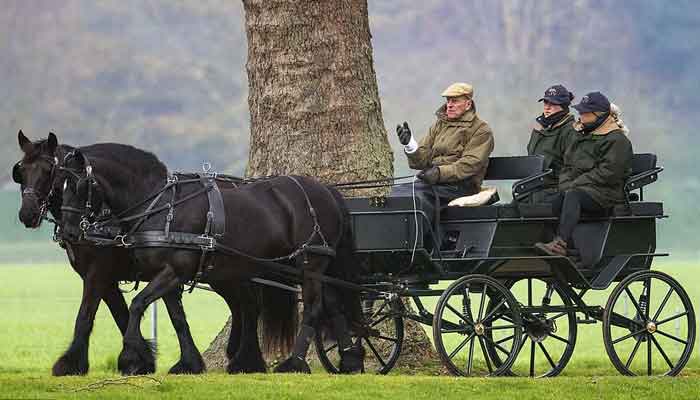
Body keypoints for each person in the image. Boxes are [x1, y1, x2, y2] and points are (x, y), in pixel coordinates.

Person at [394, 82, 494, 248]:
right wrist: (410, 145)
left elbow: (469, 165)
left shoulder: (481, 130)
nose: (449, 105)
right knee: (396, 193)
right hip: (434, 183)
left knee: (417, 199)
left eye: (455, 101)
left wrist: (439, 173)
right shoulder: (439, 125)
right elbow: (422, 160)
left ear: (468, 104)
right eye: (448, 100)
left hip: (461, 186)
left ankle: (415, 247)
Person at [535, 92, 633, 257]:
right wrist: (566, 185)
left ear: (599, 115)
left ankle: (560, 244)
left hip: (606, 195)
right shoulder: (580, 135)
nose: (580, 115)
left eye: (585, 112)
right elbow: (567, 166)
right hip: (582, 189)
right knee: (553, 201)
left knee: (573, 197)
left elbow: (608, 173)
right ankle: (563, 245)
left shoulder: (617, 140)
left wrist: (575, 185)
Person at [527, 84, 577, 203]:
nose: (547, 108)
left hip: (555, 190)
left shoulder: (571, 131)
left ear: (564, 106)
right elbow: (531, 155)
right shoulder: (541, 127)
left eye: (553, 104)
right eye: (545, 103)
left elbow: (572, 169)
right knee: (508, 212)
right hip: (534, 188)